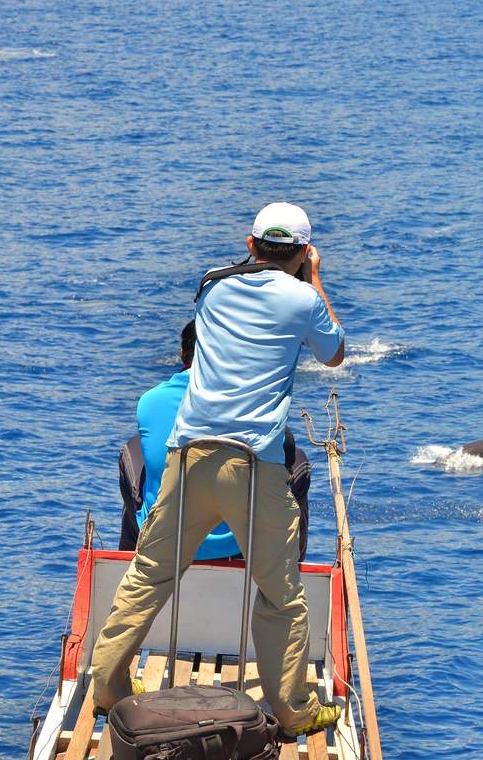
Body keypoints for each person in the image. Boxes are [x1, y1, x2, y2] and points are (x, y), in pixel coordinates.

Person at [90, 202, 347, 736]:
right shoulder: (303, 298)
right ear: (303, 252)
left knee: (147, 576)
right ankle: (295, 711)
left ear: (250, 245)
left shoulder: (212, 285)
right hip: (253, 462)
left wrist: (273, 261)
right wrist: (315, 278)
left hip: (191, 455)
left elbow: (237, 285)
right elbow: (335, 354)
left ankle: (108, 687)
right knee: (280, 593)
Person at [117, 321, 312, 561]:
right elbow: (284, 447)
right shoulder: (253, 398)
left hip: (166, 538)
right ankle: (292, 561)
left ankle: (127, 558)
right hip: (241, 541)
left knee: (134, 448)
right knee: (297, 460)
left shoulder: (150, 401)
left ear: (182, 354)